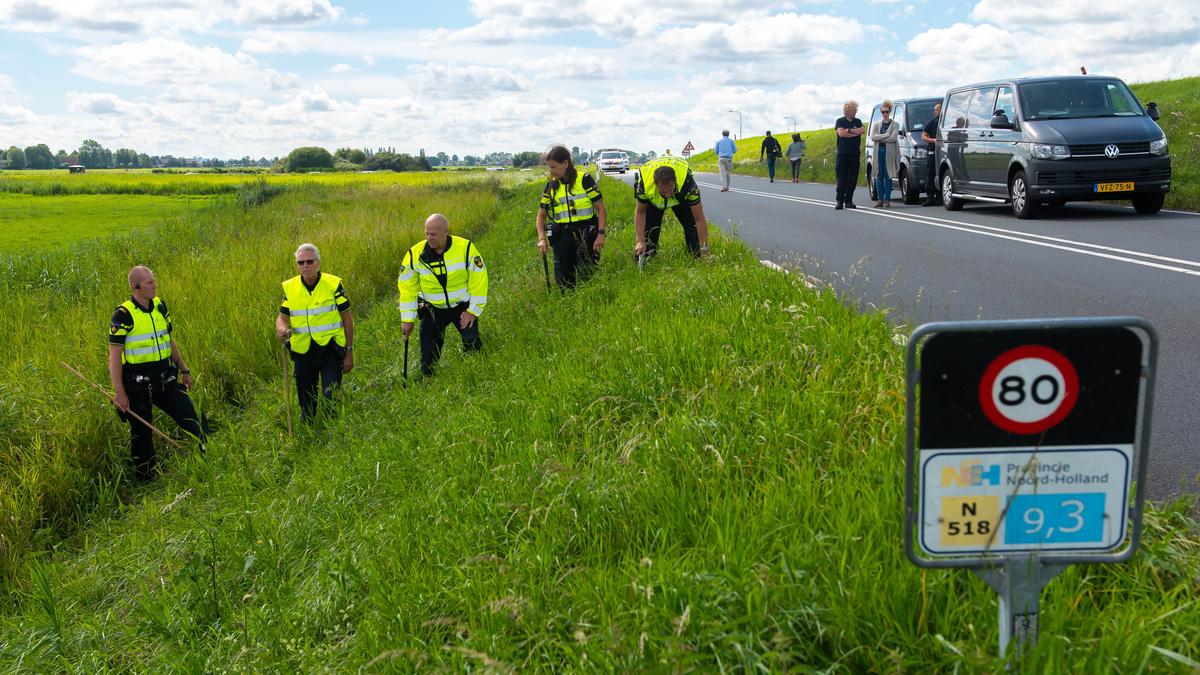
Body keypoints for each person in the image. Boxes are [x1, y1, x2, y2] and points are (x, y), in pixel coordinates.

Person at [108, 265, 206, 481]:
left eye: (154, 281)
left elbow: (168, 340)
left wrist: (184, 369)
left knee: (193, 416)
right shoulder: (123, 315)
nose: (155, 285)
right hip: (137, 384)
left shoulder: (160, 306)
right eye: (150, 282)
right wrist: (120, 393)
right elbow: (114, 358)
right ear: (136, 287)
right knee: (141, 436)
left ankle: (207, 458)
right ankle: (147, 481)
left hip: (165, 377)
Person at [398, 213, 488, 376]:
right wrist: (407, 319)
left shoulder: (465, 248)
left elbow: (479, 280)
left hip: (461, 307)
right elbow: (407, 289)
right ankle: (428, 381)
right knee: (427, 360)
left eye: (433, 234)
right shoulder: (414, 255)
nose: (429, 237)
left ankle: (475, 375)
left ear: (446, 232)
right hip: (432, 308)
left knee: (474, 348)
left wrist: (473, 311)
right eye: (426, 233)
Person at [276, 243, 354, 422]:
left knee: (330, 396)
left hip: (330, 350)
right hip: (303, 352)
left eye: (309, 262)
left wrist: (349, 351)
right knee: (307, 401)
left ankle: (333, 433)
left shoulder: (333, 284)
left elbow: (347, 319)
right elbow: (282, 318)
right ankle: (309, 436)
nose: (305, 266)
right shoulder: (291, 288)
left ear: (318, 263)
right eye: (301, 262)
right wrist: (281, 329)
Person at [535, 145, 607, 290]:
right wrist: (542, 239)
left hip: (585, 234)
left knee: (587, 278)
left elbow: (601, 209)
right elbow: (540, 216)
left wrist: (601, 234)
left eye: (554, 167)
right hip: (561, 236)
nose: (551, 171)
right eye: (550, 167)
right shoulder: (551, 186)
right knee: (564, 284)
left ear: (566, 163)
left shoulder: (584, 180)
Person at [633, 155, 710, 260]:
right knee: (646, 249)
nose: (668, 195)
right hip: (654, 201)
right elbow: (640, 212)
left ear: (675, 182)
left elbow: (699, 219)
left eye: (670, 189)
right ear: (656, 185)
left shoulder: (687, 184)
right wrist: (640, 241)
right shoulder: (644, 186)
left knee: (694, 238)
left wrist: (704, 251)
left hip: (680, 197)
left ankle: (695, 253)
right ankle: (647, 253)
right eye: (663, 191)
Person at [834, 100, 865, 209]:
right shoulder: (840, 121)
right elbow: (841, 134)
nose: (855, 112)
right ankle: (839, 201)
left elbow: (862, 130)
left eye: (856, 110)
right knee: (841, 179)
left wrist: (849, 131)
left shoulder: (858, 121)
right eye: (854, 110)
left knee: (853, 178)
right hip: (842, 154)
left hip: (854, 154)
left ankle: (849, 200)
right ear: (847, 111)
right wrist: (854, 132)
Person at [870, 100, 900, 208]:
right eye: (883, 112)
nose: (885, 114)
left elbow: (893, 138)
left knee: (888, 176)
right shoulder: (876, 124)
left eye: (887, 112)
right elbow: (873, 137)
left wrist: (880, 137)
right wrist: (885, 135)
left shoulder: (895, 124)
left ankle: (887, 200)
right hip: (878, 152)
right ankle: (880, 200)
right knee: (879, 175)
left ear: (890, 112)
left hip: (889, 153)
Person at [921, 102, 942, 207]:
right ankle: (929, 196)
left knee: (940, 172)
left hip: (942, 152)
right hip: (932, 151)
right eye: (934, 110)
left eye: (936, 110)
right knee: (930, 173)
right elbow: (924, 137)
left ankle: (939, 196)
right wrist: (934, 140)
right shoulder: (932, 123)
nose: (935, 112)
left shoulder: (944, 123)